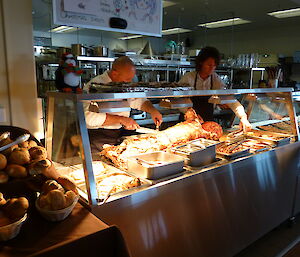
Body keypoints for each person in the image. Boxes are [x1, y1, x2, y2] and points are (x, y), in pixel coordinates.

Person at [83, 56, 163, 151]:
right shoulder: (94, 86)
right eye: (127, 80)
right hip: (98, 137)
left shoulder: (123, 84)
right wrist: (121, 120)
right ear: (114, 73)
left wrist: (152, 110)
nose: (128, 82)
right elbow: (87, 117)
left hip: (120, 133)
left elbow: (137, 100)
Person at [179, 46, 252, 131]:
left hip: (207, 123)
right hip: (187, 123)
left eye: (214, 65)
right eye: (209, 65)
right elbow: (179, 100)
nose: (212, 68)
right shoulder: (188, 78)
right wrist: (190, 113)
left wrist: (243, 117)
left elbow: (230, 100)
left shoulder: (215, 79)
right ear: (201, 63)